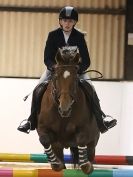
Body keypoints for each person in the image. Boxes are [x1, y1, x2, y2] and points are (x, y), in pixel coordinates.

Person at [17, 6, 117, 134]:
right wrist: (53, 67)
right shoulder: (53, 35)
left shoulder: (79, 36)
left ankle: (101, 119)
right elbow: (47, 57)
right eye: (65, 20)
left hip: (76, 71)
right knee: (38, 89)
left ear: (75, 22)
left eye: (70, 21)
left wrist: (79, 69)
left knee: (91, 89)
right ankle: (30, 121)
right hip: (55, 70)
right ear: (60, 21)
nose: (67, 24)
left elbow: (86, 60)